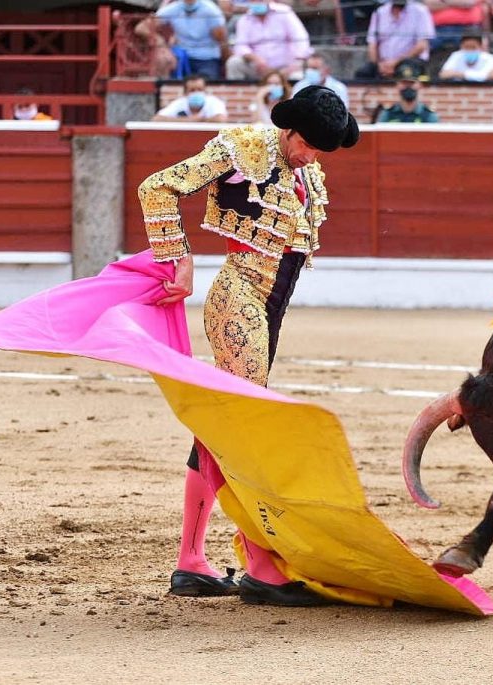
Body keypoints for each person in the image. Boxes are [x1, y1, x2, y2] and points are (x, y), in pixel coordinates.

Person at [138, 86, 360, 605]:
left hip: (269, 308)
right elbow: (158, 187)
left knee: (225, 429)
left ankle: (191, 561)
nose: (314, 156)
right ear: (289, 129)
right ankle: (260, 565)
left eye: (323, 149)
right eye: (309, 144)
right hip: (238, 296)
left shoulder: (309, 171)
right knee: (242, 429)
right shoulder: (240, 148)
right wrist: (179, 259)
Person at [224, 2, 311, 80]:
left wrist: (294, 64)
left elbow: (300, 38)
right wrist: (256, 59)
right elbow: (240, 46)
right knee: (234, 63)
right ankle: (239, 96)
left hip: (287, 68)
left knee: (299, 75)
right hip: (258, 69)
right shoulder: (245, 19)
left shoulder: (284, 12)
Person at [356, 0, 436, 79]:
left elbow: (421, 46)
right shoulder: (380, 12)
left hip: (410, 61)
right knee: (363, 73)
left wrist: (395, 63)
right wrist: (379, 64)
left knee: (405, 72)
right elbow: (372, 44)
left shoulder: (420, 11)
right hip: (383, 63)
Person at [154, 0, 228, 80]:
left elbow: (221, 39)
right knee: (169, 78)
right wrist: (161, 43)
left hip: (207, 58)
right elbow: (143, 28)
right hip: (181, 57)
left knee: (207, 85)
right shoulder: (173, 8)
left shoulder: (211, 10)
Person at [376, 58, 441, 122]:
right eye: (404, 83)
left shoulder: (429, 116)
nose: (408, 87)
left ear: (420, 85)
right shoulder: (387, 115)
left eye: (412, 83)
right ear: (397, 85)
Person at [152, 74, 228, 122]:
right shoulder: (179, 103)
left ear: (205, 91)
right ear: (185, 93)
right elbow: (157, 119)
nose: (196, 92)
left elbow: (221, 119)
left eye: (200, 89)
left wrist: (200, 120)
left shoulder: (214, 102)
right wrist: (188, 120)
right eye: (192, 90)